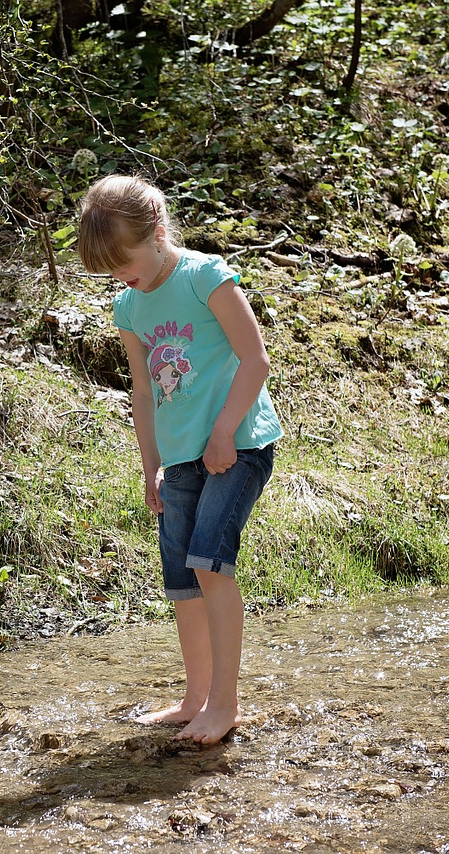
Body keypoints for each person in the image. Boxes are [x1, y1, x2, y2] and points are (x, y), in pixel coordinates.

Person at [77, 175, 283, 745]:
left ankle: (225, 703)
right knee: (183, 582)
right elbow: (143, 394)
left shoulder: (205, 278)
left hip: (237, 444)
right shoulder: (129, 305)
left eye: (126, 261)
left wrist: (223, 433)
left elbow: (255, 360)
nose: (121, 277)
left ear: (159, 232)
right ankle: (194, 698)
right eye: (109, 270)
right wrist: (151, 467)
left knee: (210, 566)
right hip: (180, 458)